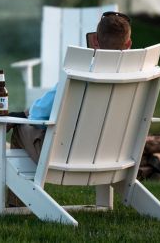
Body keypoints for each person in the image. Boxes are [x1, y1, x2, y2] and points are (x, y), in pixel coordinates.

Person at [11, 11, 132, 163]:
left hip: (67, 158)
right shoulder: (136, 74)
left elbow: (38, 115)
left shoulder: (81, 71)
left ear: (95, 41)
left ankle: (26, 186)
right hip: (114, 155)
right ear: (128, 44)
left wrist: (27, 114)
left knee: (20, 128)